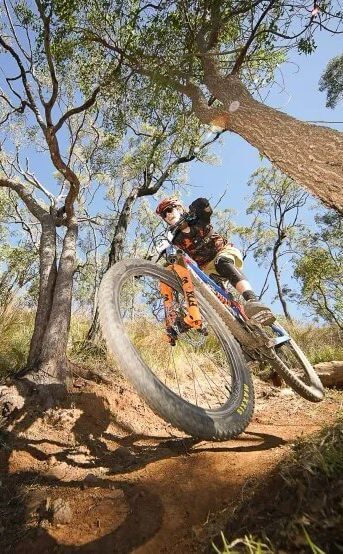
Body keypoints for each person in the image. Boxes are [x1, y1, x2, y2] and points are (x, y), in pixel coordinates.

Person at [156, 196, 275, 325]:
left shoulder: (197, 219)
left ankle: (252, 300)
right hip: (207, 269)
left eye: (169, 209)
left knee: (221, 262)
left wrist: (200, 205)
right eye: (164, 214)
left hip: (224, 252)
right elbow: (159, 251)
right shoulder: (173, 237)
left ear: (178, 208)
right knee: (207, 295)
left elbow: (206, 209)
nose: (167, 215)